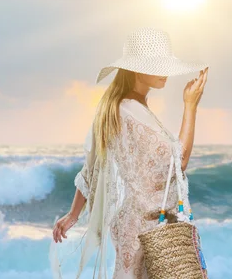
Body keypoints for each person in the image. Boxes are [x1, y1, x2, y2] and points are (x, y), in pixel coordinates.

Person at [49, 27, 209, 279]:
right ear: (136, 68)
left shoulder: (123, 106)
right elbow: (179, 161)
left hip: (144, 224)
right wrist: (190, 106)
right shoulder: (127, 109)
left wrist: (74, 213)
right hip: (145, 230)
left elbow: (91, 166)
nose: (165, 71)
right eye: (157, 64)